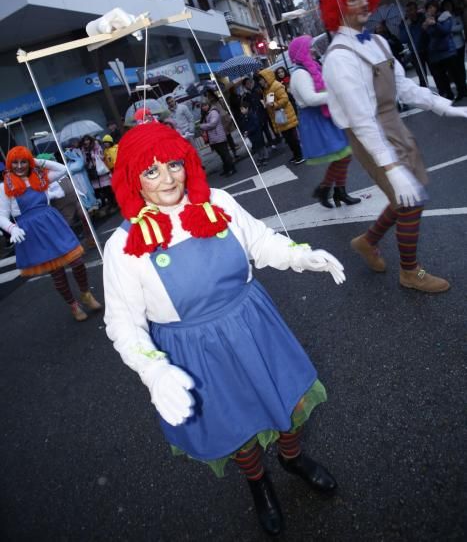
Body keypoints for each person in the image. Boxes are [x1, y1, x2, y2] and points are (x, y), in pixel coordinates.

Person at [103, 122, 345, 536]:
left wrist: (302, 256)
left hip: (254, 324)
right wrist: (154, 370)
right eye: (151, 171)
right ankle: (258, 484)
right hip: (195, 351)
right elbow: (123, 322)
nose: (168, 179)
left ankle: (291, 457)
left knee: (290, 399)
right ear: (133, 179)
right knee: (235, 427)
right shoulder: (122, 245)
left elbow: (261, 242)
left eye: (174, 164)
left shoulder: (217, 202)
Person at [321, 0, 467, 293]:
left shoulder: (378, 43)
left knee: (406, 195)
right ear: (338, 6)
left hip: (392, 124)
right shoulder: (338, 58)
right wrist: (390, 166)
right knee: (409, 199)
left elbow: (404, 87)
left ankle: (367, 241)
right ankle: (409, 272)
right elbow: (361, 119)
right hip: (368, 133)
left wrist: (447, 107)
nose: (362, 4)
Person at [0, 146, 101, 320]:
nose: (19, 166)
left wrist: (38, 161)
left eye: (23, 161)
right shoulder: (4, 187)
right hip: (31, 230)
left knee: (77, 261)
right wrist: (12, 228)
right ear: (9, 164)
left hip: (52, 223)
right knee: (57, 271)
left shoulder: (40, 177)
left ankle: (86, 294)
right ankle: (73, 305)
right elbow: (1, 215)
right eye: (14, 162)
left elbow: (63, 169)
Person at [288, 35, 361, 208]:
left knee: (343, 155)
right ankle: (331, 190)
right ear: (302, 52)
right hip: (316, 120)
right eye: (309, 47)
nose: (313, 49)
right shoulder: (299, 74)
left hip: (323, 117)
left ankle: (332, 190)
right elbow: (310, 98)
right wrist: (336, 93)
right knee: (343, 155)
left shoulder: (310, 68)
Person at [257, 69, 305, 164]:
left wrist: (273, 105)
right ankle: (296, 155)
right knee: (288, 138)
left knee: (292, 138)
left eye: (261, 79)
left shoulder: (276, 86)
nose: (260, 82)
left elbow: (284, 99)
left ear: (266, 78)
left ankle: (300, 155)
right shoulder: (266, 89)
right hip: (279, 117)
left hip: (285, 115)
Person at [422, 1, 458, 100]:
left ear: (436, 7)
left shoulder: (445, 16)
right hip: (436, 52)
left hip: (447, 50)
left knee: (454, 73)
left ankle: (462, 92)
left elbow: (445, 31)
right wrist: (425, 27)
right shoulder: (428, 20)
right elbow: (430, 35)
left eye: (432, 7)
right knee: (442, 75)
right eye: (428, 8)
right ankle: (449, 94)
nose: (430, 10)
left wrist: (435, 24)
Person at [199, 97, 236, 177]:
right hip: (214, 138)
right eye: (202, 106)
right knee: (222, 155)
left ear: (208, 104)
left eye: (205, 105)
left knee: (225, 154)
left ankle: (232, 168)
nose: (204, 107)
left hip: (219, 136)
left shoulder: (213, 112)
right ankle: (227, 168)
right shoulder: (207, 113)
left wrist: (202, 126)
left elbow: (213, 124)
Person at [440, 0, 467, 102]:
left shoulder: (456, 15)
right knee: (454, 70)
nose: (448, 7)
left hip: (460, 44)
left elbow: (460, 26)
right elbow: (442, 31)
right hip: (450, 48)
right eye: (446, 6)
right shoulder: (442, 18)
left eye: (449, 5)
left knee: (461, 68)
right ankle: (460, 89)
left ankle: (464, 87)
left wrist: (450, 29)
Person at [79, 134, 115, 212]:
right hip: (92, 170)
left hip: (100, 168)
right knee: (99, 189)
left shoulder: (96, 145)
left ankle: (113, 202)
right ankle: (107, 203)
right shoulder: (83, 149)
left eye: (87, 140)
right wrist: (87, 158)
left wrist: (93, 156)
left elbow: (102, 156)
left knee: (106, 187)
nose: (86, 142)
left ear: (90, 140)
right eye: (85, 140)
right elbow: (84, 161)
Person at [399, 2, 429, 87]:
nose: (410, 13)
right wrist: (407, 26)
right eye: (408, 11)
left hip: (427, 49)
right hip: (416, 52)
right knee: (422, 76)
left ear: (416, 10)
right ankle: (425, 94)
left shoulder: (423, 18)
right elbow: (403, 39)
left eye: (412, 10)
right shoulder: (404, 23)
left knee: (436, 72)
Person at [205, 89, 239, 159]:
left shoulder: (220, 101)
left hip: (225, 120)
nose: (210, 98)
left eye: (210, 95)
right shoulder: (209, 105)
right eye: (208, 96)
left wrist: (229, 115)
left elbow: (226, 108)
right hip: (217, 123)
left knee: (229, 138)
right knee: (223, 140)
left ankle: (234, 153)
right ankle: (229, 156)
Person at [238, 98, 269, 167]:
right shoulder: (243, 117)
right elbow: (243, 125)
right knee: (256, 147)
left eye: (242, 109)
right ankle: (260, 157)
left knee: (261, 146)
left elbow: (256, 125)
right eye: (241, 109)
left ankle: (265, 156)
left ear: (247, 108)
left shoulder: (252, 115)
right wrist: (244, 132)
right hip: (251, 135)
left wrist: (248, 131)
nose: (241, 111)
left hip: (256, 133)